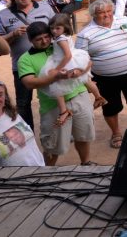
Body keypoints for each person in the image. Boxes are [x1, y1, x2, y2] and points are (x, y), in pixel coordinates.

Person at [18, 22, 95, 165]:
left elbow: (85, 62)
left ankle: (86, 163)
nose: (45, 41)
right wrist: (56, 76)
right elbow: (29, 83)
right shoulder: (25, 59)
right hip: (52, 105)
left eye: (47, 37)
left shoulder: (60, 46)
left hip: (79, 96)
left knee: (83, 136)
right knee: (52, 145)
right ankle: (48, 172)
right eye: (39, 39)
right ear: (30, 40)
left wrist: (81, 71)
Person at [74, 0, 127, 149]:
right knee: (110, 107)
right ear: (94, 15)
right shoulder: (85, 34)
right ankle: (116, 133)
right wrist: (88, 79)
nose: (107, 15)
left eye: (109, 11)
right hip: (104, 78)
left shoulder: (124, 20)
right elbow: (80, 58)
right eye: (101, 13)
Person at [0, 0, 55, 132]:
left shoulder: (45, 8)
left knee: (55, 96)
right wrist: (13, 34)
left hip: (48, 63)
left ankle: (58, 128)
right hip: (22, 65)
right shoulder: (3, 15)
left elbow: (57, 30)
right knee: (23, 103)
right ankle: (28, 135)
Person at [43, 14, 106, 125]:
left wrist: (57, 69)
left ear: (65, 27)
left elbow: (67, 56)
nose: (54, 31)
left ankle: (63, 111)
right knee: (86, 79)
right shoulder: (65, 36)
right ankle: (98, 97)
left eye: (57, 28)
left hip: (67, 62)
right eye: (52, 28)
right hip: (77, 58)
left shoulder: (60, 39)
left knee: (55, 85)